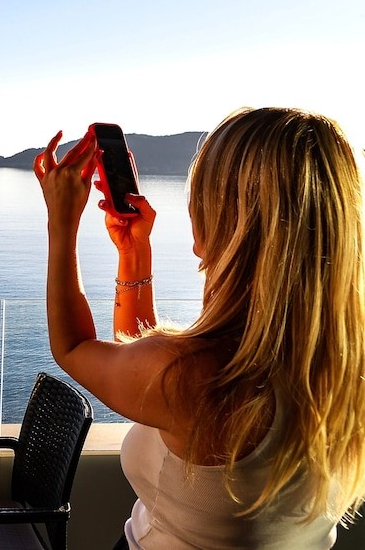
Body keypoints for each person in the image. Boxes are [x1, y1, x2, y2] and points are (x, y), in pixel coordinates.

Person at [33, 107, 365, 549]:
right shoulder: (341, 362)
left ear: (226, 215)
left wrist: (61, 224)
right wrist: (134, 253)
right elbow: (146, 366)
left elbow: (75, 347)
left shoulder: (201, 376)